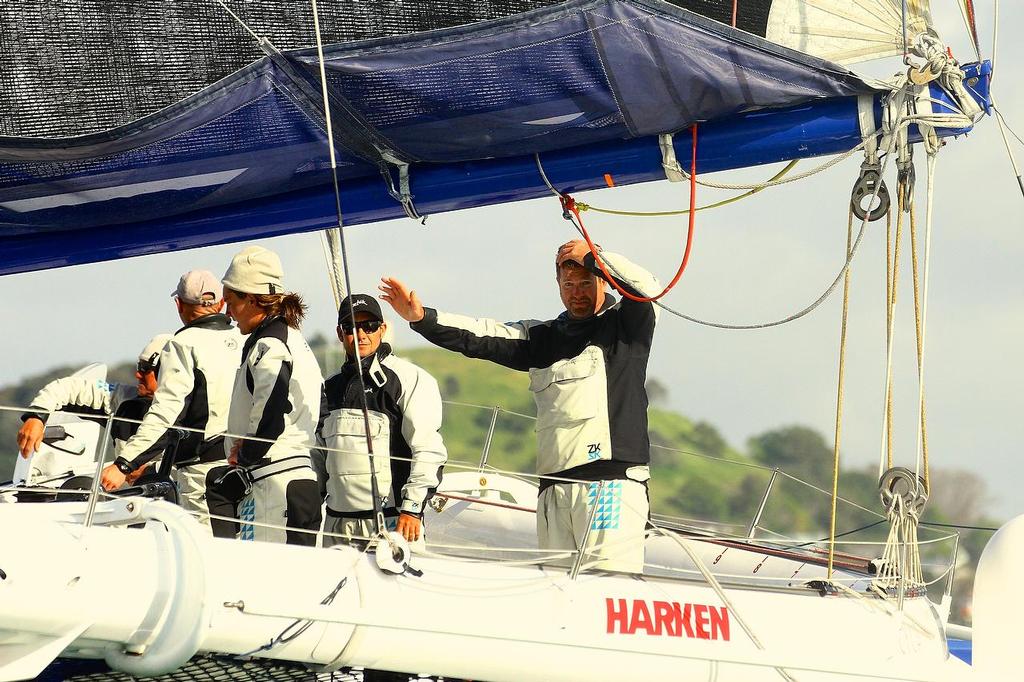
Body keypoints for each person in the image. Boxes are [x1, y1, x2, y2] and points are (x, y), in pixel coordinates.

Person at [380, 239, 659, 573]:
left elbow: (648, 288)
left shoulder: (627, 324)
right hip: (553, 489)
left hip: (611, 485)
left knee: (612, 586)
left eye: (586, 282)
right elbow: (479, 335)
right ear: (558, 286)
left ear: (602, 281)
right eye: (568, 284)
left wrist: (597, 257)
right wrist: (422, 318)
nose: (577, 292)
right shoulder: (541, 338)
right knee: (557, 594)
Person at [98, 270, 243, 538]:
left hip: (203, 475)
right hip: (249, 468)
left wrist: (123, 465)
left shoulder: (183, 344)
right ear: (221, 303)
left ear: (179, 305)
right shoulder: (247, 338)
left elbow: (167, 413)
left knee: (206, 558)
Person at [318, 293, 447, 550]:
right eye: (351, 327)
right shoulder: (328, 387)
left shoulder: (410, 379)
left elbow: (428, 450)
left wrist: (412, 509)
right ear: (340, 332)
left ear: (382, 329)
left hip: (392, 522)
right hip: (335, 524)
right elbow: (319, 455)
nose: (361, 334)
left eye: (370, 326)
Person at [220, 246, 323, 545]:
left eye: (230, 301)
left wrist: (247, 453)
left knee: (263, 583)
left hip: (272, 486)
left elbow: (272, 409)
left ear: (251, 298)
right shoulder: (296, 340)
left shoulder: (269, 345)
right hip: (302, 479)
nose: (228, 313)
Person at [17, 334, 173, 480]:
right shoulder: (123, 399)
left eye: (146, 368)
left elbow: (191, 470)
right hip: (131, 497)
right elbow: (68, 387)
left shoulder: (193, 414)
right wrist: (37, 417)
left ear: (166, 373)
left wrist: (147, 470)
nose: (138, 374)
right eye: (139, 366)